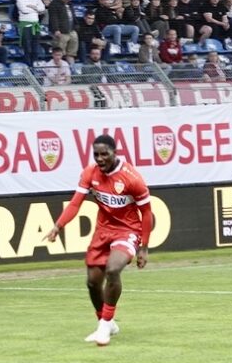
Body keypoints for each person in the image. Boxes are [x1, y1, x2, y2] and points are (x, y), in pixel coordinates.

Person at [42, 133, 152, 347]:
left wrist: (144, 247)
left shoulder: (132, 179)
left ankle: (105, 325)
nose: (100, 159)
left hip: (127, 230)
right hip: (103, 230)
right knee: (93, 282)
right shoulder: (89, 173)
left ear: (115, 153)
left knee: (113, 269)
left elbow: (147, 213)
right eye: (96, 155)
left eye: (105, 154)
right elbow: (75, 203)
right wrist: (58, 226)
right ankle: (106, 322)